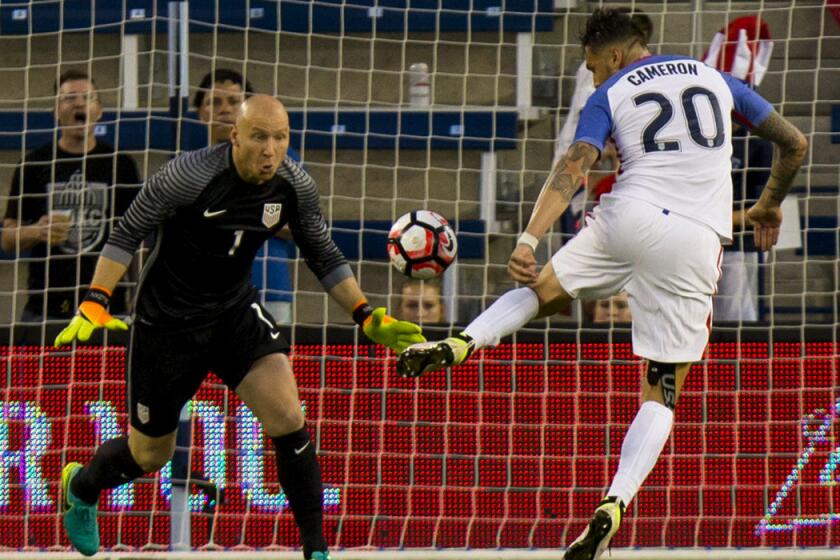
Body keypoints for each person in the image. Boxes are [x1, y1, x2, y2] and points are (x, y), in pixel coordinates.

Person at [398, 8, 807, 560]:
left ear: (614, 56)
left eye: (592, 65)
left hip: (627, 218)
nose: (592, 76)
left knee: (542, 291)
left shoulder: (610, 91)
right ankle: (615, 503)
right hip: (694, 240)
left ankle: (463, 340)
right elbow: (796, 143)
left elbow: (576, 164)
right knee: (662, 390)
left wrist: (528, 237)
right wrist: (768, 205)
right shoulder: (719, 79)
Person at [54, 95, 425, 559]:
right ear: (234, 136)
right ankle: (82, 488)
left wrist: (366, 314)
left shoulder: (294, 186)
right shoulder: (188, 175)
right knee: (151, 455)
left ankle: (316, 550)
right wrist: (95, 300)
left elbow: (323, 254)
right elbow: (127, 231)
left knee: (289, 417)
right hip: (166, 324)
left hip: (233, 312)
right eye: (259, 137)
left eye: (280, 138)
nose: (271, 150)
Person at [2, 70, 140, 323]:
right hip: (46, 308)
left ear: (99, 111)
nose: (79, 103)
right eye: (70, 98)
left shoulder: (121, 164)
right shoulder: (34, 164)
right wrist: (36, 231)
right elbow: (7, 238)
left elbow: (135, 237)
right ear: (56, 110)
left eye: (87, 97)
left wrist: (139, 292)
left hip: (107, 304)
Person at [194, 68, 296, 323]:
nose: (224, 109)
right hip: (202, 293)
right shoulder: (189, 169)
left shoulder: (283, 160)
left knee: (274, 361)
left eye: (233, 102)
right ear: (200, 113)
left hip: (269, 289)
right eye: (214, 102)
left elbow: (301, 225)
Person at [703, 16, 776, 321]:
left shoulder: (758, 141)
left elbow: (760, 208)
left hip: (736, 249)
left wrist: (708, 221)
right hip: (692, 246)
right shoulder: (698, 134)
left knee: (734, 330)